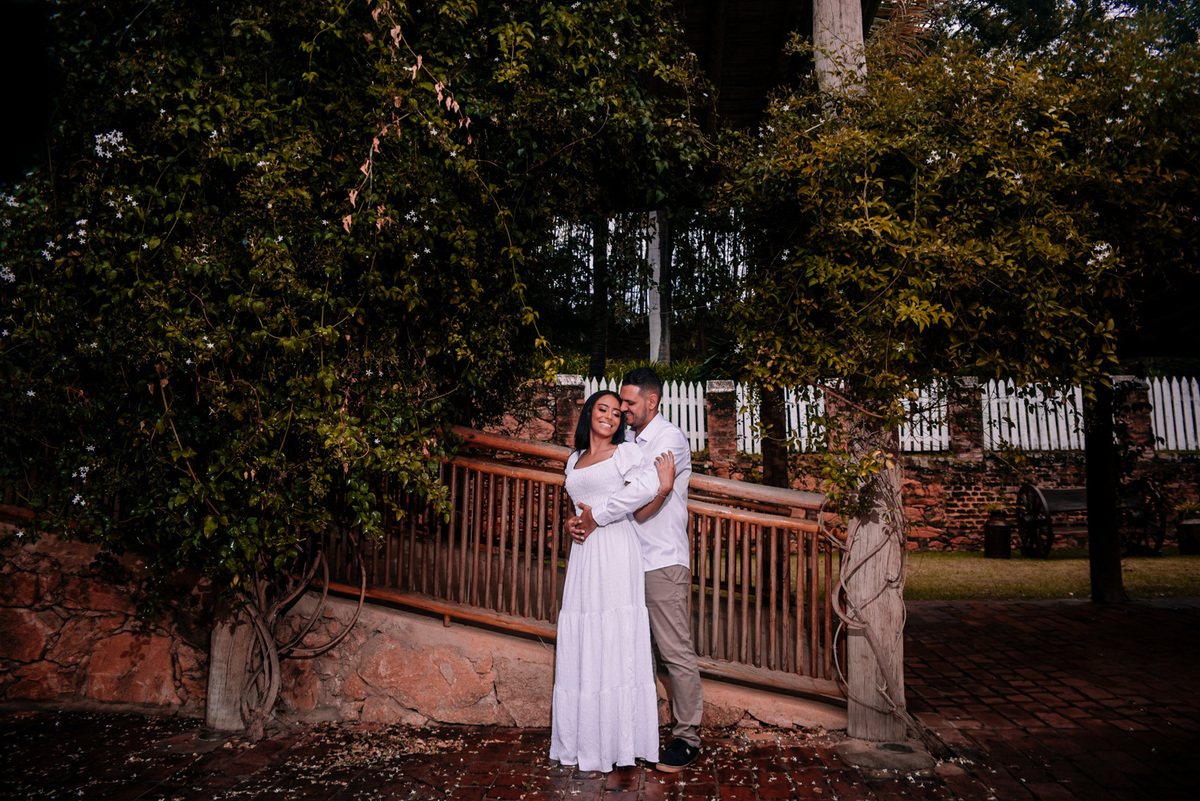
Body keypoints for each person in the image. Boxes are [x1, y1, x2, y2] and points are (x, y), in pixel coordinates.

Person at [568, 368, 703, 773]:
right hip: (621, 560)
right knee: (623, 647)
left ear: (652, 401)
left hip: (659, 558)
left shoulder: (668, 439)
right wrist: (577, 520)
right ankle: (627, 733)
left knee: (673, 650)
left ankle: (688, 737)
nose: (623, 409)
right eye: (618, 403)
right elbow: (610, 489)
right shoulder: (626, 441)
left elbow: (641, 505)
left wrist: (599, 514)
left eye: (629, 402)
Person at [550, 389, 677, 773]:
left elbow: (644, 488)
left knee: (615, 634)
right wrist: (573, 522)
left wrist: (598, 515)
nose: (610, 416)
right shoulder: (574, 459)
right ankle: (586, 738)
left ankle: (621, 740)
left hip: (616, 548)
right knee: (585, 632)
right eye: (602, 409)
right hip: (584, 554)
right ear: (589, 413)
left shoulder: (626, 453)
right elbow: (577, 505)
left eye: (617, 413)